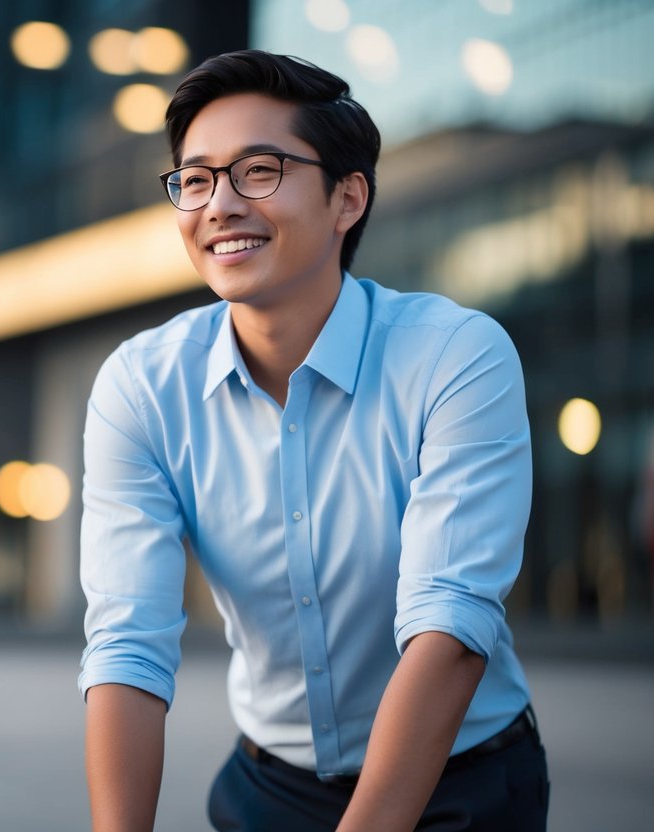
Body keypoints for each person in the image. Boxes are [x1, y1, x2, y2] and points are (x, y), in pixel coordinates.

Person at [77, 50, 549, 831]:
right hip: (270, 787)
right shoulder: (142, 387)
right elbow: (128, 642)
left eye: (258, 170)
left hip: (462, 786)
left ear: (346, 198)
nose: (219, 204)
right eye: (194, 180)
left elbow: (450, 622)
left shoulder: (455, 355)